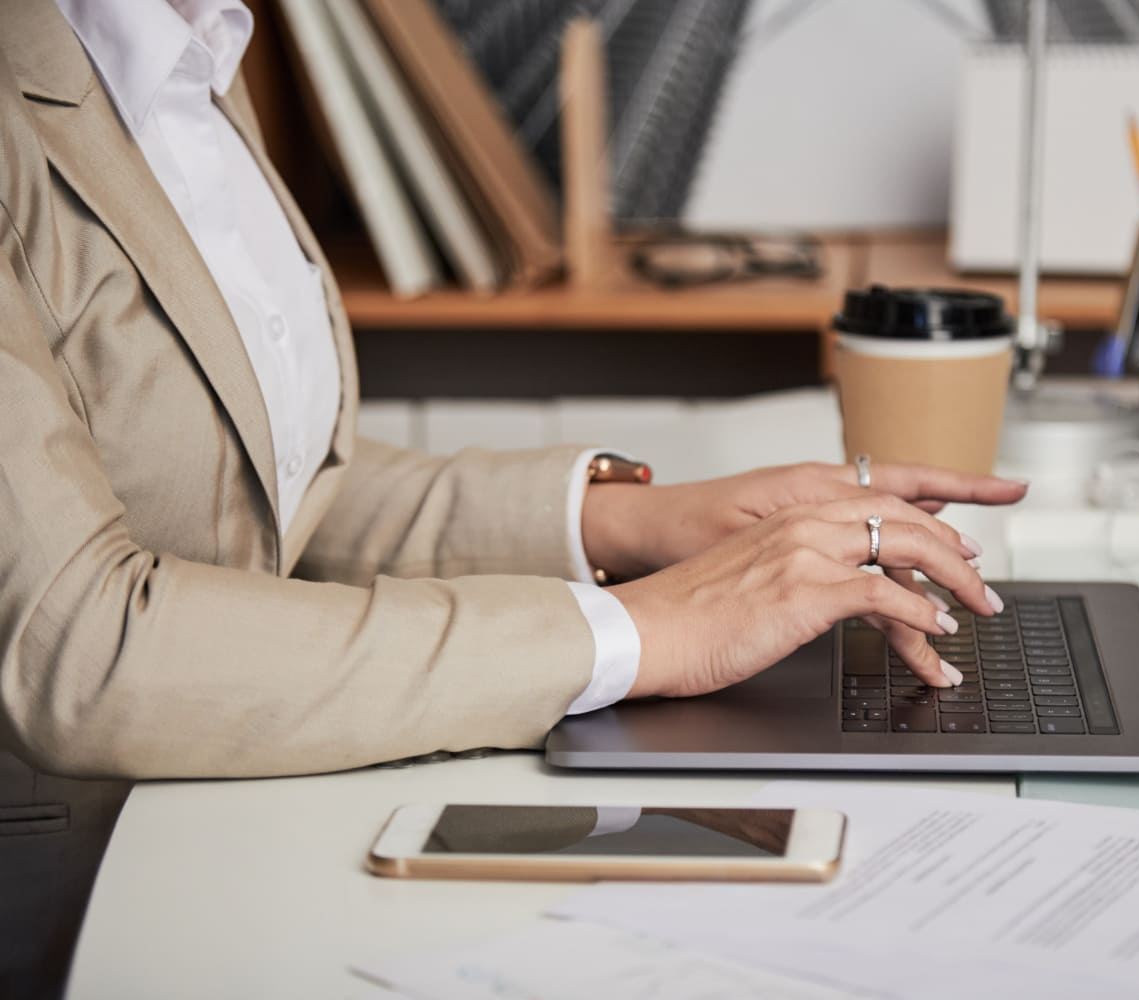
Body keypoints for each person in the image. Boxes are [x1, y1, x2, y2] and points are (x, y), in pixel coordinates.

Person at [0, 0, 1025, 994]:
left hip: (224, 831)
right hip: (89, 895)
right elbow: (81, 646)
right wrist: (632, 633)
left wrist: (628, 522)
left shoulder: (195, 54)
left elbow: (275, 504)